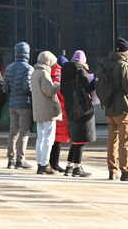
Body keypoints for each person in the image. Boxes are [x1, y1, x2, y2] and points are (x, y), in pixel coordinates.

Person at [105, 38, 128, 181]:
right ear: (125, 52)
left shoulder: (108, 64)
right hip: (123, 108)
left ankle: (112, 171)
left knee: (112, 140)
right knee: (125, 140)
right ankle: (126, 171)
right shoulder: (123, 65)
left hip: (110, 108)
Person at [60, 50, 96, 178]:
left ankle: (69, 166)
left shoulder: (65, 72)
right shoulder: (80, 71)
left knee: (75, 138)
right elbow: (86, 87)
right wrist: (93, 81)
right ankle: (77, 168)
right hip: (82, 108)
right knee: (81, 139)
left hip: (70, 108)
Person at [2, 42, 34, 169]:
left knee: (12, 132)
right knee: (24, 133)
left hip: (12, 104)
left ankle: (11, 159)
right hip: (24, 104)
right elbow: (27, 87)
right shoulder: (28, 68)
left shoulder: (9, 68)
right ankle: (20, 160)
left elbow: (5, 87)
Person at [31, 51, 61, 174]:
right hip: (48, 110)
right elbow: (49, 91)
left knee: (41, 137)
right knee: (49, 138)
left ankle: (40, 163)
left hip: (38, 109)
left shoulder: (35, 72)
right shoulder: (44, 73)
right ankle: (44, 165)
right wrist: (57, 85)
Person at [49, 55, 70, 173]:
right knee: (57, 139)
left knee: (52, 138)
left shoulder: (51, 73)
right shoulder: (59, 75)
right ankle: (54, 163)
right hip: (60, 108)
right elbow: (60, 92)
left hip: (52, 107)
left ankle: (50, 162)